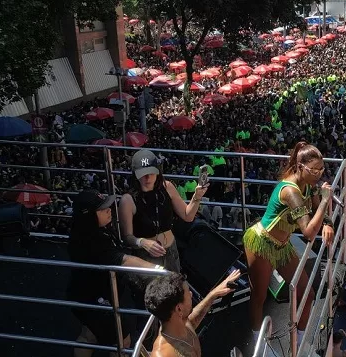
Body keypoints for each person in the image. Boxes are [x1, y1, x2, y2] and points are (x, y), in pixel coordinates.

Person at [242, 141, 335, 345]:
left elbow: (317, 209)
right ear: (301, 167)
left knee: (307, 293)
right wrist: (326, 201)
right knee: (259, 297)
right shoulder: (291, 192)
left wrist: (328, 222)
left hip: (282, 246)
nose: (319, 174)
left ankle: (300, 343)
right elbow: (309, 233)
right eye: (314, 170)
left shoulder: (307, 185)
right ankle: (259, 342)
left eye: (322, 169)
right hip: (261, 243)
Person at [67, 189, 161, 357]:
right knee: (122, 340)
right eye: (102, 209)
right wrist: (158, 271)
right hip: (94, 297)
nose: (109, 210)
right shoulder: (92, 239)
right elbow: (123, 259)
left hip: (87, 293)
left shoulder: (90, 228)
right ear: (89, 215)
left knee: (89, 335)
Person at [119, 149, 207, 297]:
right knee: (155, 297)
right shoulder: (127, 200)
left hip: (171, 251)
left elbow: (187, 216)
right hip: (147, 256)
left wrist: (197, 197)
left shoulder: (167, 187)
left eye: (151, 172)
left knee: (176, 293)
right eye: (143, 174)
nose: (148, 178)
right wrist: (142, 242)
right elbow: (126, 236)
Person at [144, 270, 241, 357]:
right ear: (179, 309)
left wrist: (214, 294)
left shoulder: (180, 323)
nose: (191, 294)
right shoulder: (164, 354)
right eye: (188, 293)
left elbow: (192, 321)